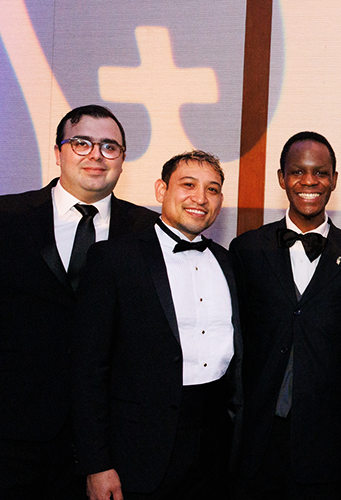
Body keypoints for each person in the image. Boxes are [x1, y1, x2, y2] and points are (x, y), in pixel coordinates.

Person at [0, 104, 158, 499]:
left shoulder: (146, 231)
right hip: (14, 431)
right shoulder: (8, 217)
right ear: (58, 152)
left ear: (122, 160)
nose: (95, 155)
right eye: (82, 142)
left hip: (108, 438)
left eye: (110, 147)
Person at [71, 150, 241, 500]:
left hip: (214, 447)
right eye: (188, 185)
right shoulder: (114, 259)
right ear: (161, 190)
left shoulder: (227, 261)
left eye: (212, 189)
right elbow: (87, 370)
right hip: (139, 450)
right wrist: (96, 463)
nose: (200, 198)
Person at [229, 131, 341, 499]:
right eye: (298, 172)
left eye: (320, 173)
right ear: (281, 178)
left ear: (334, 180)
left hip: (331, 443)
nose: (309, 181)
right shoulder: (246, 250)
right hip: (258, 438)